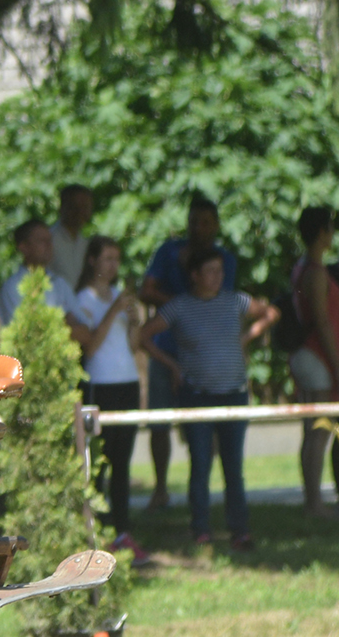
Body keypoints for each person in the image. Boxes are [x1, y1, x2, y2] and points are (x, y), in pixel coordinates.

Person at [136, 246, 278, 549]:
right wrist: (172, 365)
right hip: (197, 396)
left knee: (233, 467)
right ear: (195, 275)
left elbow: (270, 312)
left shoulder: (235, 301)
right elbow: (143, 336)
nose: (217, 277)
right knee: (200, 465)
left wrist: (247, 337)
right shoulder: (180, 306)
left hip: (235, 395)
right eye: (211, 271)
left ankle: (240, 529)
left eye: (220, 270)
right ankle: (200, 528)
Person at [140, 196, 239, 510]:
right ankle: (160, 488)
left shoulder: (224, 259)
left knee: (205, 427)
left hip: (203, 357)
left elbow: (219, 299)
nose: (198, 227)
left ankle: (205, 496)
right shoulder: (168, 252)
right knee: (160, 421)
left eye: (206, 221)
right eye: (193, 220)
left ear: (216, 225)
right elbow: (147, 289)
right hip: (166, 351)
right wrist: (180, 305)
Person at [71, 236, 144, 551]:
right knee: (98, 461)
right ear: (92, 261)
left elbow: (134, 345)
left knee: (123, 461)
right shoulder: (82, 299)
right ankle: (96, 529)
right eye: (108, 259)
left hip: (127, 381)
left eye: (117, 258)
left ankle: (123, 529)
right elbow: (91, 344)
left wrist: (134, 321)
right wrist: (114, 310)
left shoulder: (118, 295)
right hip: (100, 383)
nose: (114, 265)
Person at [289, 206, 339, 517]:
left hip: (313, 357)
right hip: (317, 357)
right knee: (319, 431)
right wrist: (336, 365)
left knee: (315, 431)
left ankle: (314, 500)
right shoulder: (316, 272)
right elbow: (322, 322)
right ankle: (314, 503)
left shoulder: (303, 267)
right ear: (321, 233)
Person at [0, 219, 82, 328]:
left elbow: (83, 325)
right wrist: (66, 322)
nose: (48, 245)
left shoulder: (59, 283)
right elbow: (25, 333)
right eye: (41, 241)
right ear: (23, 247)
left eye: (50, 240)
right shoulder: (13, 287)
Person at [50, 184, 95, 290]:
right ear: (62, 207)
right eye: (73, 206)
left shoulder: (85, 243)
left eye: (84, 207)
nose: (79, 212)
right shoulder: (49, 240)